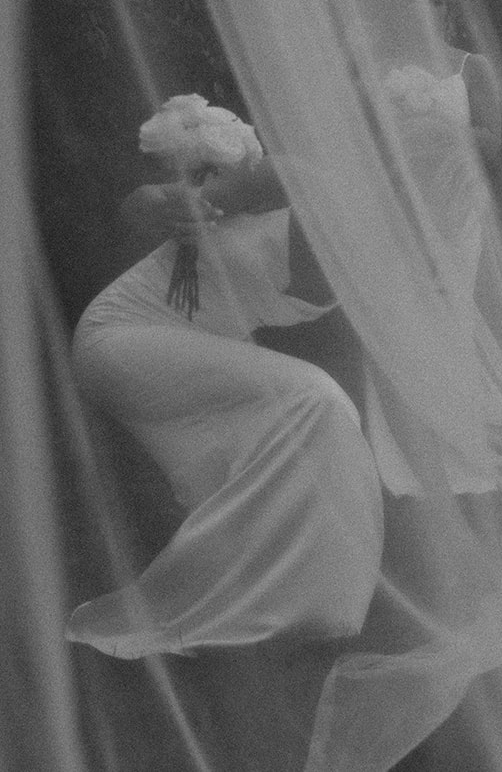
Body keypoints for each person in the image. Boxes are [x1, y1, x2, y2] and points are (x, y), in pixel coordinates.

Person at [67, 138, 383, 659]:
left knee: (278, 443)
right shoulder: (289, 175)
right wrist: (166, 207)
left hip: (183, 349)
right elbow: (143, 205)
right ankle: (282, 606)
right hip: (123, 333)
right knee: (317, 399)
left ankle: (273, 611)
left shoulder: (384, 262)